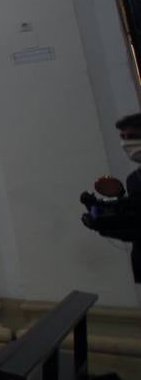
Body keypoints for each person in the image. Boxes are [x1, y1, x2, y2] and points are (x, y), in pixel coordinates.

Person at [81, 112, 141, 282]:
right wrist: (101, 219)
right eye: (123, 137)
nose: (126, 143)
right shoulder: (134, 179)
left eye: (132, 136)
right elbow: (134, 219)